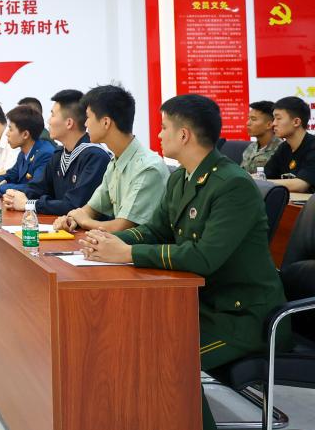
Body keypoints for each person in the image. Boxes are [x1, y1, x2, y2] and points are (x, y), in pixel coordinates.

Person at [77, 94, 288, 430]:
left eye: (164, 128)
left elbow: (203, 257)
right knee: (131, 335)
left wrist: (127, 253)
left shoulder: (233, 185)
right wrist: (110, 242)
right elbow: (155, 230)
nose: (158, 135)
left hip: (243, 316)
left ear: (184, 135)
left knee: (167, 356)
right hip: (204, 303)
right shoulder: (181, 178)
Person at [54, 84, 167, 234]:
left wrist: (85, 221)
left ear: (106, 122)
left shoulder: (147, 167)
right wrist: (72, 220)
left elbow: (122, 227)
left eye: (88, 117)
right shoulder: (115, 161)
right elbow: (91, 209)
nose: (85, 124)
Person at [3, 90, 111, 214]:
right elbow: (38, 188)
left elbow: (74, 205)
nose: (48, 121)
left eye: (53, 115)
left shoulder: (95, 156)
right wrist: (15, 195)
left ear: (69, 123)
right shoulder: (59, 154)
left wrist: (29, 204)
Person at [0, 105, 55, 195]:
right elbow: (11, 175)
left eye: (10, 129)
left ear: (25, 134)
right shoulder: (23, 152)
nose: (7, 134)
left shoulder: (45, 154)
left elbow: (34, 189)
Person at [263, 96, 315, 193]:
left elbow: (301, 185)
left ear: (296, 122)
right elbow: (265, 175)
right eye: (274, 119)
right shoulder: (284, 147)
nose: (273, 123)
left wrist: (262, 183)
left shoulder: (312, 146)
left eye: (278, 118)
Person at [241, 100, 282, 174]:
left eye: (253, 119)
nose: (248, 123)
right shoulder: (251, 147)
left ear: (269, 125)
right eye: (248, 118)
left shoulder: (280, 149)